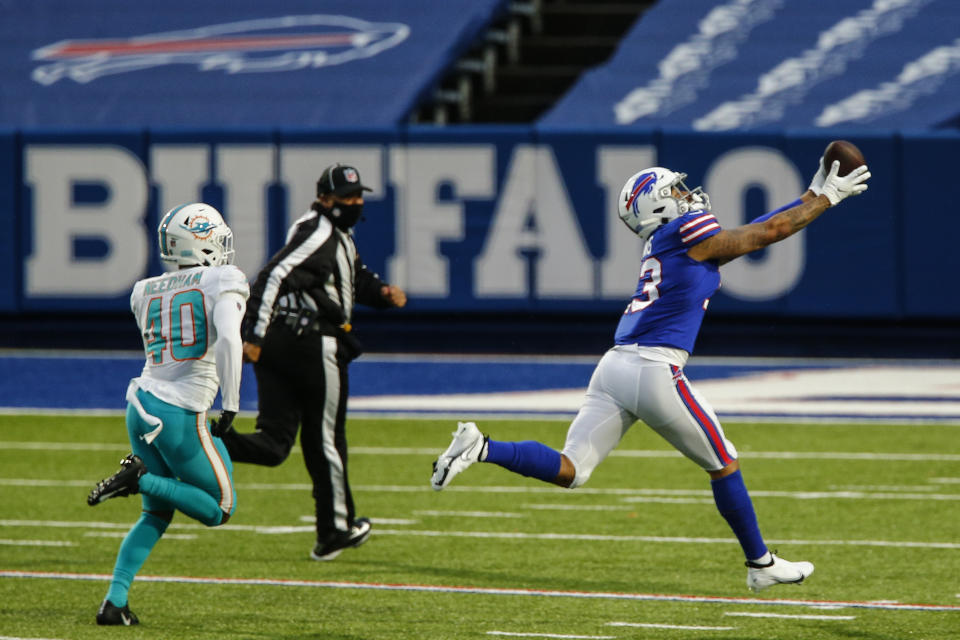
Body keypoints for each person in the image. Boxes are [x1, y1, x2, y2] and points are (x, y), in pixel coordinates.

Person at [431, 154, 871, 592]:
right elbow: (766, 233)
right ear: (658, 206)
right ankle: (760, 563)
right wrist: (827, 199)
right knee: (724, 463)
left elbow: (754, 230)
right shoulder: (683, 231)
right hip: (653, 368)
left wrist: (811, 196)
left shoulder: (670, 238)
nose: (686, 194)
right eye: (675, 191)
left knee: (572, 469)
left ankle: (481, 447)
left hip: (617, 365)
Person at [217, 163, 407, 561]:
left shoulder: (328, 232)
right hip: (311, 343)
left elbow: (351, 278)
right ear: (325, 199)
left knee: (274, 444)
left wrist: (383, 292)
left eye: (358, 197)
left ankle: (202, 443)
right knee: (325, 439)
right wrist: (252, 334)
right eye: (346, 198)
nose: (354, 204)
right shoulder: (318, 231)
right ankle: (334, 529)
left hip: (285, 342)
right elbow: (271, 276)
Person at [87, 203, 248, 625]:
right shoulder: (223, 278)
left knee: (156, 513)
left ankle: (114, 601)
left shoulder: (144, 289)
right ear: (201, 240)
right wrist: (231, 401)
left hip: (139, 405)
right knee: (220, 507)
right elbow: (230, 340)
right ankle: (137, 477)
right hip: (179, 411)